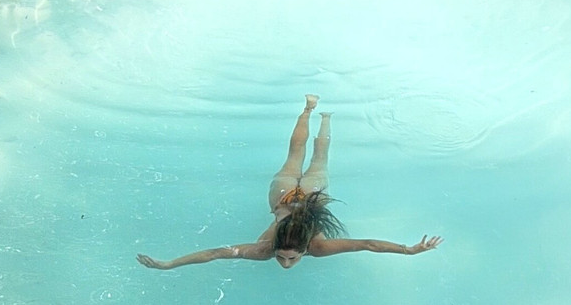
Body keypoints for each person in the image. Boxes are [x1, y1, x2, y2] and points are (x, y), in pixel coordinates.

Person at [137, 94, 443, 270]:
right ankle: (319, 113)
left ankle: (317, 112)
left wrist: (409, 251)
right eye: (284, 256)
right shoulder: (282, 248)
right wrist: (168, 265)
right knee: (309, 156)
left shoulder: (274, 248)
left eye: (288, 257)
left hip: (289, 194)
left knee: (310, 156)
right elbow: (366, 244)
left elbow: (367, 244)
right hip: (295, 194)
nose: (283, 263)